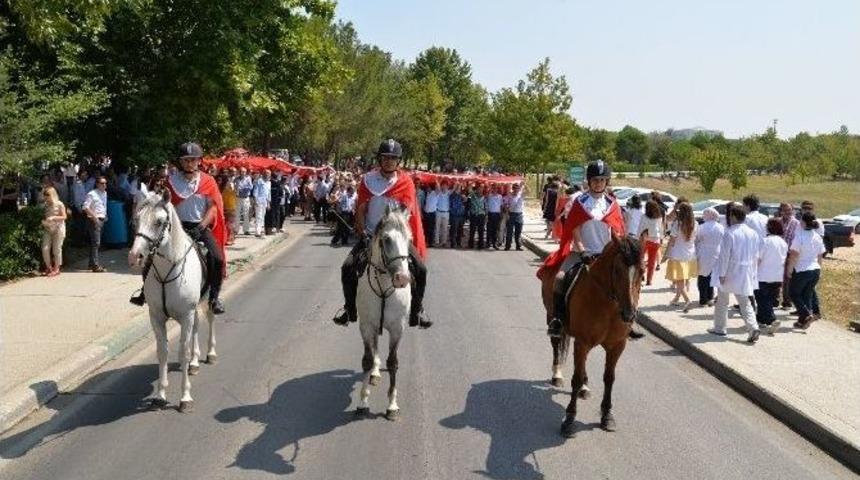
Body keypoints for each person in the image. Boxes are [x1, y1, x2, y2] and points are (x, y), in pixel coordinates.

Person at [332, 139, 432, 329]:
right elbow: (361, 209)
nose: (388, 161)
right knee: (347, 267)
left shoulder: (406, 182)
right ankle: (349, 309)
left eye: (393, 158)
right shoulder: (368, 180)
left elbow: (408, 212)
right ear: (379, 159)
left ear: (398, 161)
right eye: (385, 157)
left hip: (396, 238)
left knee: (421, 269)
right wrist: (362, 232)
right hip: (371, 236)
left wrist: (401, 236)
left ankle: (418, 310)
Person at [541, 160, 625, 338]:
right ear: (589, 180)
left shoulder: (612, 203)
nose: (599, 183)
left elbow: (617, 231)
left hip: (606, 254)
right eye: (595, 180)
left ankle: (626, 321)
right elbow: (575, 229)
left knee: (627, 281)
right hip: (582, 252)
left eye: (602, 180)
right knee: (559, 279)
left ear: (606, 182)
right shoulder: (580, 201)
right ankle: (557, 320)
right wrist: (582, 249)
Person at [708, 204, 762, 344]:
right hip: (746, 270)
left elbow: (725, 255)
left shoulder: (730, 232)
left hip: (731, 269)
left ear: (733, 216)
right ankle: (753, 327)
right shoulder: (753, 233)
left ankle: (720, 327)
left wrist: (722, 273)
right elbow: (756, 254)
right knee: (745, 302)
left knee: (722, 300)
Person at [786, 212, 826, 329]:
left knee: (793, 293)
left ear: (802, 222)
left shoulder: (800, 236)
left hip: (802, 269)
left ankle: (806, 314)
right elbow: (820, 255)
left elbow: (793, 255)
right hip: (815, 269)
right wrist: (819, 268)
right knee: (807, 294)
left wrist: (789, 269)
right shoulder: (817, 236)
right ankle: (803, 321)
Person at [663, 202, 698, 312]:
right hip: (690, 254)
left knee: (679, 279)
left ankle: (687, 300)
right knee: (682, 278)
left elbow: (671, 241)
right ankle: (677, 298)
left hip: (678, 254)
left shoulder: (678, 224)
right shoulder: (695, 223)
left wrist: (666, 254)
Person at [755, 219, 788, 334]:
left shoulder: (765, 241)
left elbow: (758, 259)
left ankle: (772, 320)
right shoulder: (783, 242)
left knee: (762, 299)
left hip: (763, 275)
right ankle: (760, 320)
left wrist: (752, 271)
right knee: (768, 299)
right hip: (777, 275)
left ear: (769, 228)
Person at [695, 207, 724, 306]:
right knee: (712, 276)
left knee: (703, 276)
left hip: (704, 252)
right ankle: (710, 297)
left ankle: (703, 299)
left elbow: (697, 239)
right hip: (717, 252)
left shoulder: (702, 227)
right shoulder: (720, 227)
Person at [82, 175, 108, 272]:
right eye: (102, 183)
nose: (104, 185)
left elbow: (103, 205)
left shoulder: (104, 193)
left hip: (102, 218)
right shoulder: (92, 194)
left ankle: (91, 264)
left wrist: (105, 215)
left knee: (95, 243)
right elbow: (85, 207)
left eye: (105, 183)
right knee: (96, 243)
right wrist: (94, 217)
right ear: (97, 184)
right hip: (94, 220)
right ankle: (95, 265)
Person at [40, 186, 67, 276]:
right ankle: (49, 267)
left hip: (58, 228)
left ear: (52, 194)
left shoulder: (59, 204)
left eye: (47, 195)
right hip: (48, 228)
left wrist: (54, 217)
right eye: (44, 194)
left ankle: (57, 268)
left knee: (56, 249)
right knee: (45, 248)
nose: (45, 197)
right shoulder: (45, 205)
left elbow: (64, 217)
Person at [778, 202, 800, 308]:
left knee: (787, 277)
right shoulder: (778, 222)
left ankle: (787, 301)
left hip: (789, 253)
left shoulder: (797, 223)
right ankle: (775, 299)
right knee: (777, 276)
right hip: (778, 253)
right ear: (781, 211)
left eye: (789, 210)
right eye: (785, 210)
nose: (787, 212)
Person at [638, 200, 664, 285]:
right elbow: (661, 229)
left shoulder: (644, 216)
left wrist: (638, 237)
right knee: (652, 261)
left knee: (641, 258)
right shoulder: (659, 217)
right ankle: (649, 280)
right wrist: (661, 239)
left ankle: (641, 275)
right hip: (655, 240)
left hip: (645, 239)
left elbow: (640, 227)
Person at [504, 182, 525, 251]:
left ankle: (518, 246)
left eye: (517, 188)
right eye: (515, 188)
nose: (516, 189)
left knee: (518, 232)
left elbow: (528, 191)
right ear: (513, 189)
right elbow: (506, 205)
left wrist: (524, 185)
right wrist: (507, 214)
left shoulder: (521, 195)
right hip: (511, 214)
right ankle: (508, 245)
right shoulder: (509, 196)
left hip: (519, 215)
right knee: (509, 231)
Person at [467, 184, 487, 249]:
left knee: (481, 231)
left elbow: (485, 206)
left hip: (481, 215)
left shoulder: (484, 197)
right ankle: (471, 245)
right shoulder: (472, 195)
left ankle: (480, 245)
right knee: (472, 230)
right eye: (479, 188)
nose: (480, 190)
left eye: (481, 188)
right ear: (477, 189)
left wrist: (486, 215)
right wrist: (471, 182)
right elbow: (469, 189)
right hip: (474, 215)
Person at [252, 170, 271, 237]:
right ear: (263, 174)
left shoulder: (269, 183)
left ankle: (261, 230)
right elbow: (255, 192)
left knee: (263, 216)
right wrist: (255, 201)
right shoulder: (259, 181)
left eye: (268, 174)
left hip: (265, 202)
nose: (267, 175)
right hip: (259, 201)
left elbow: (269, 193)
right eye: (266, 173)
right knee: (258, 216)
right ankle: (257, 232)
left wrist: (268, 203)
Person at [448, 183, 467, 248]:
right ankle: (453, 243)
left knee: (460, 230)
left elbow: (465, 202)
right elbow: (450, 204)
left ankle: (459, 243)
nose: (459, 188)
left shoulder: (462, 195)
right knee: (454, 230)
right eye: (458, 187)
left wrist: (464, 198)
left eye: (460, 187)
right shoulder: (452, 195)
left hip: (461, 215)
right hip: (454, 215)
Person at [234, 167, 253, 235]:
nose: (243, 173)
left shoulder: (248, 178)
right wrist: (238, 189)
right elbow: (235, 188)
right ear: (239, 172)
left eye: (244, 172)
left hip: (245, 198)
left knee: (246, 214)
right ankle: (236, 230)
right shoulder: (236, 179)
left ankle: (246, 230)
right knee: (237, 214)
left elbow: (250, 187)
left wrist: (243, 188)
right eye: (241, 171)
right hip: (238, 198)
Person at [486, 184, 503, 249]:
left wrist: (501, 214)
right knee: (489, 229)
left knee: (495, 230)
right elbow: (486, 195)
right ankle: (488, 243)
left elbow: (501, 206)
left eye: (496, 188)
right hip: (490, 214)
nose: (495, 190)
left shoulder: (500, 196)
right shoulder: (489, 196)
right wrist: (490, 188)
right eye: (494, 188)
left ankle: (494, 243)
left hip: (497, 214)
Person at [434, 181, 451, 247]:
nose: (444, 187)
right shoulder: (438, 192)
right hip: (438, 212)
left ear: (447, 186)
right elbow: (437, 187)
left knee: (445, 228)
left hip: (446, 213)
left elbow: (455, 188)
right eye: (443, 185)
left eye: (445, 185)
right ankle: (437, 242)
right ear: (441, 186)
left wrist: (457, 181)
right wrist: (437, 180)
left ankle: (444, 242)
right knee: (437, 228)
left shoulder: (449, 193)